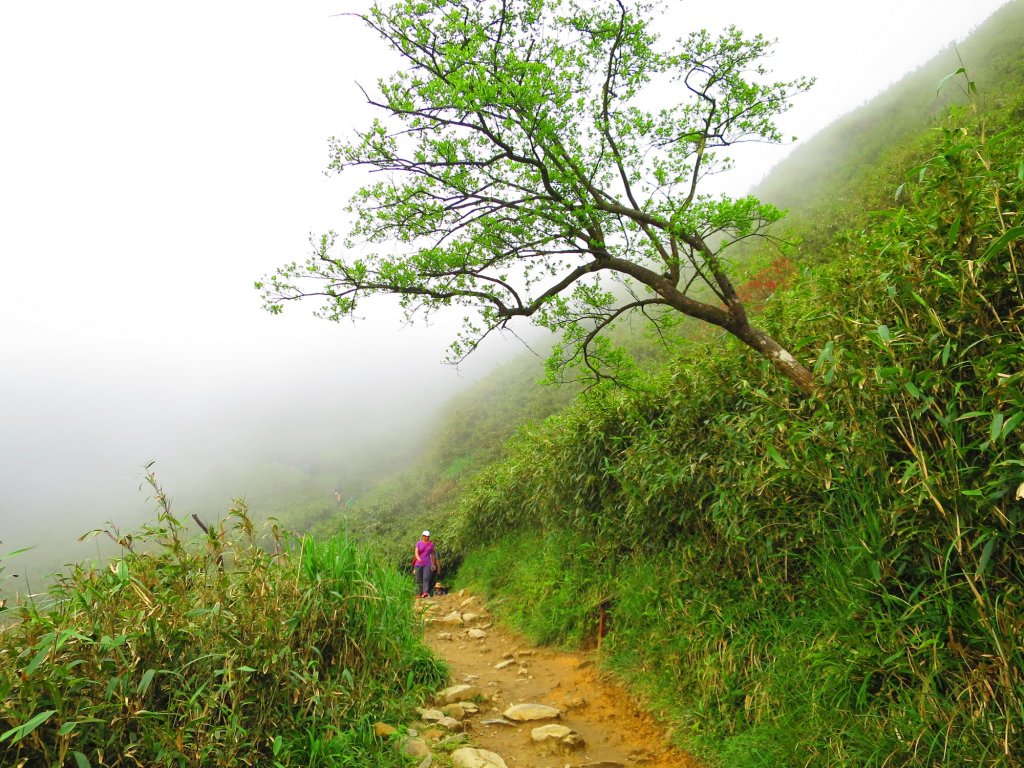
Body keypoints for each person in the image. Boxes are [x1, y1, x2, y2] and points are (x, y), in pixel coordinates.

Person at [412, 530, 440, 598]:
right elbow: (416, 552)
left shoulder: (431, 544)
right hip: (418, 563)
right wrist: (418, 558)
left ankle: (425, 592)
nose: (425, 537)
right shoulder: (418, 543)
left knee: (426, 578)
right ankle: (418, 593)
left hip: (427, 564)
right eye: (424, 536)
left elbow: (432, 554)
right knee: (418, 579)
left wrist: (433, 564)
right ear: (422, 536)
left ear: (429, 537)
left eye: (427, 536)